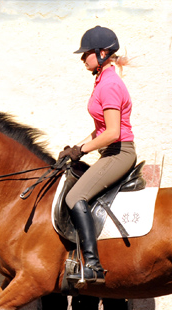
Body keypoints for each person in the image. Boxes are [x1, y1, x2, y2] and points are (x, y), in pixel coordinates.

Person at [59, 26, 137, 284]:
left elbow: (113, 133)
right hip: (110, 151)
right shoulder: (102, 81)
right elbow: (99, 130)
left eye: (86, 53)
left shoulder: (110, 84)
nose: (83, 58)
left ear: (102, 53)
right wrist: (74, 149)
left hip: (119, 152)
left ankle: (92, 265)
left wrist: (81, 151)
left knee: (75, 196)